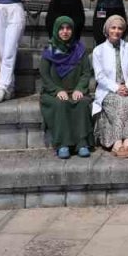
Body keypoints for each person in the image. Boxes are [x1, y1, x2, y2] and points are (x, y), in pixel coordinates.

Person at [91, 15, 128, 158]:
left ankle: (127, 143)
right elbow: (99, 76)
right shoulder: (98, 50)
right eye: (113, 27)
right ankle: (117, 144)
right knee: (120, 102)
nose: (116, 31)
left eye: (119, 28)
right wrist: (117, 88)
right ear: (107, 30)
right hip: (108, 89)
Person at [39, 16, 94, 159]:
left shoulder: (80, 50)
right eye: (61, 28)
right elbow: (44, 75)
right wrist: (57, 90)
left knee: (81, 103)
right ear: (56, 30)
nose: (65, 32)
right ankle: (62, 145)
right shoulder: (49, 51)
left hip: (75, 90)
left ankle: (82, 143)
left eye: (68, 28)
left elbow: (86, 73)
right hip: (53, 93)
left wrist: (80, 89)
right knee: (61, 104)